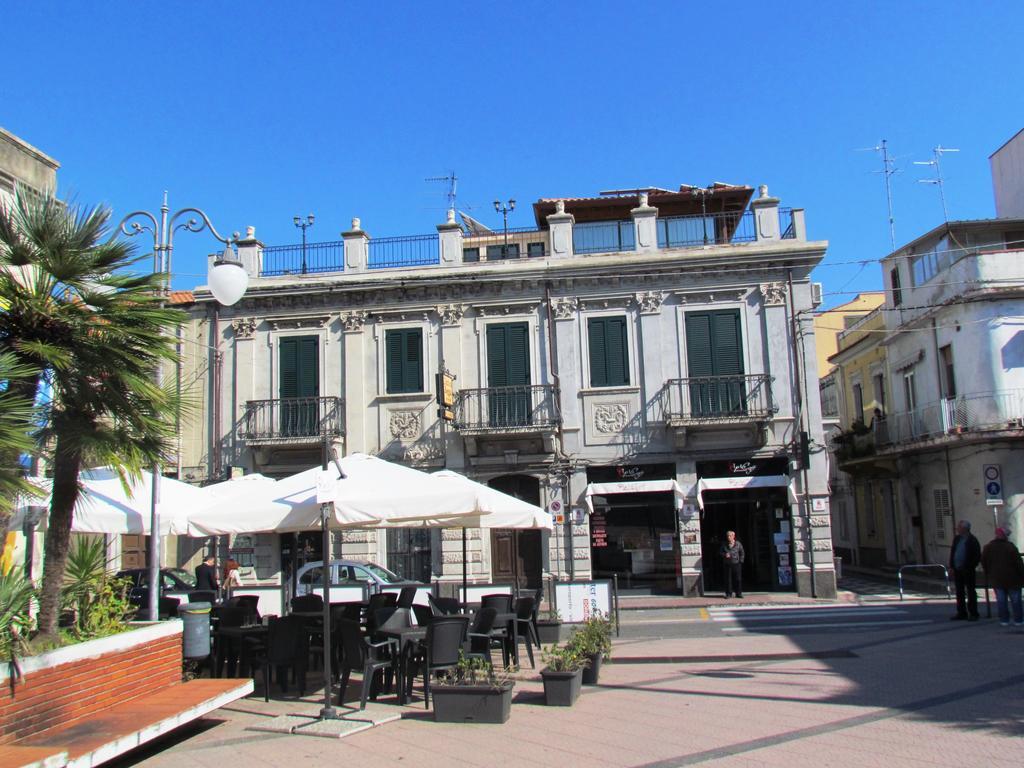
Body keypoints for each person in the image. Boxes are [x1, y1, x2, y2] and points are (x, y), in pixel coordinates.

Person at [981, 527, 1024, 627]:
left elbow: (984, 561)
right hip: (1013, 579)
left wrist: (989, 573)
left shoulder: (988, 547)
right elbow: (1019, 564)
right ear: (1005, 536)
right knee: (1016, 600)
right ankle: (1018, 620)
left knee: (1001, 600)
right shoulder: (1010, 547)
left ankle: (1004, 620)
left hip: (996, 578)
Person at [948, 520, 981, 621]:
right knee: (959, 592)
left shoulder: (972, 540)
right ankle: (961, 612)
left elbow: (976, 556)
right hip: (957, 569)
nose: (957, 529)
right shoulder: (957, 539)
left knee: (970, 591)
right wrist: (951, 566)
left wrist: (970, 566)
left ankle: (973, 613)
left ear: (964, 529)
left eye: (959, 527)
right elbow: (953, 552)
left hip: (968, 570)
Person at [720, 530, 745, 598]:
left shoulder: (738, 544)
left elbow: (742, 553)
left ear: (733, 536)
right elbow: (720, 553)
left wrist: (740, 561)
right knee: (728, 579)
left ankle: (738, 593)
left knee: (738, 579)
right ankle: (728, 593)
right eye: (727, 536)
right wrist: (725, 555)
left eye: (730, 535)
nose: (728, 537)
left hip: (736, 564)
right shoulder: (724, 544)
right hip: (727, 564)